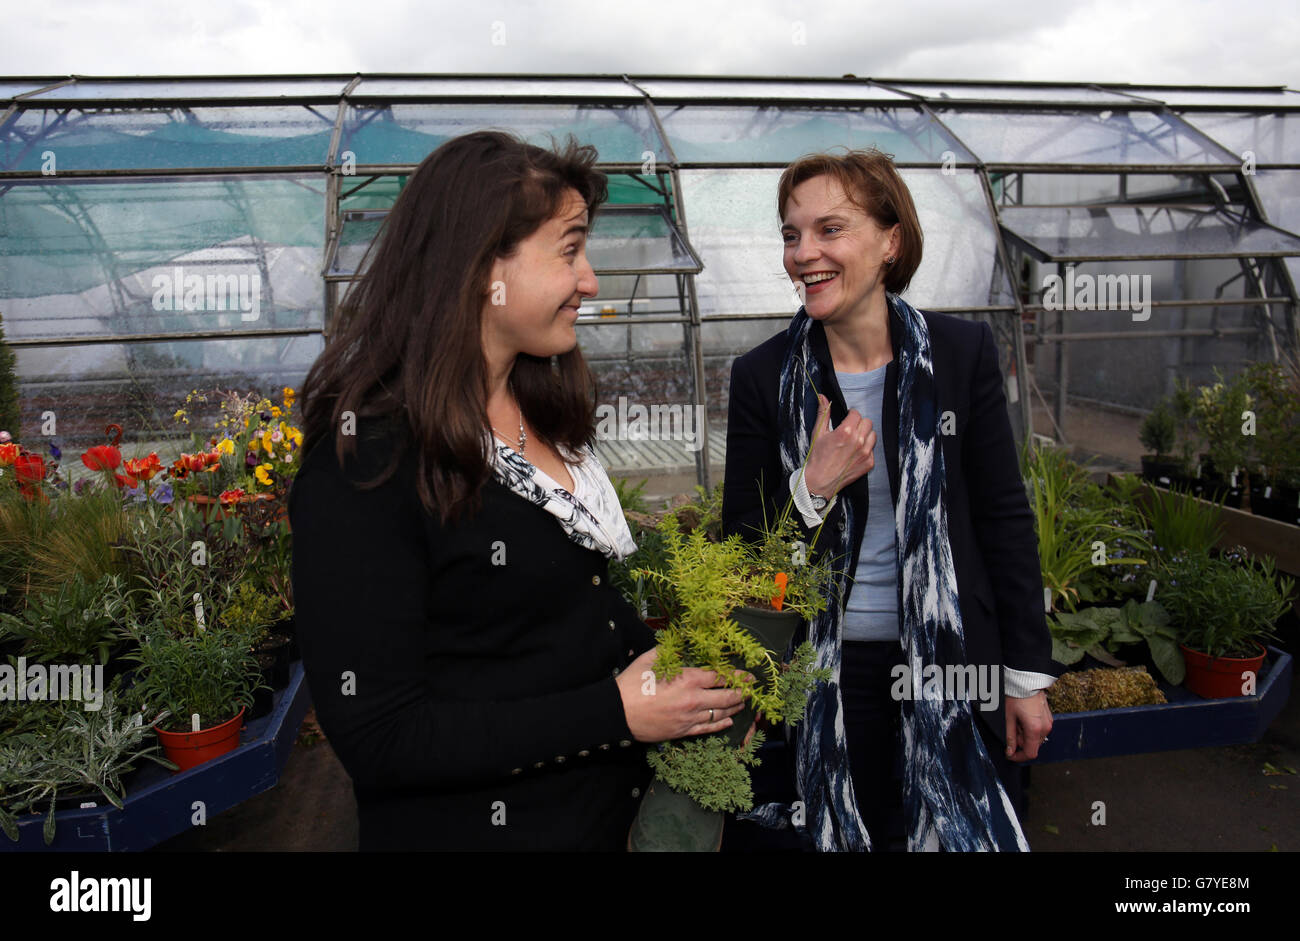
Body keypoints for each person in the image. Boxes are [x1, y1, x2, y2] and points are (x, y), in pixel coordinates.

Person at [289, 129, 750, 851]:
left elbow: (569, 613)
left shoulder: (542, 411)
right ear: (481, 268)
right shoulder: (367, 459)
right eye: (569, 250)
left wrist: (696, 670)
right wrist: (614, 713)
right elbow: (381, 735)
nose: (590, 280)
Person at [720, 147, 1061, 852]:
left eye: (829, 229)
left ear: (890, 241)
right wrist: (811, 489)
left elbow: (1003, 517)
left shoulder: (961, 354)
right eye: (791, 234)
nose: (803, 252)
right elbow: (745, 557)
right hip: (829, 677)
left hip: (955, 665)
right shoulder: (761, 378)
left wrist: (1026, 675)